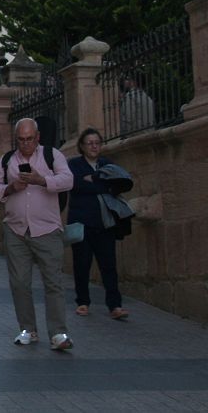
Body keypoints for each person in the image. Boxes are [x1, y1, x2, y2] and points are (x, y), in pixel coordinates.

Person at [0, 118, 75, 350]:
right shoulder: (6, 161)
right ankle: (27, 329)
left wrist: (41, 180)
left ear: (37, 138)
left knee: (53, 282)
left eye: (29, 139)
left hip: (47, 228)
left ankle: (58, 333)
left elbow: (68, 180)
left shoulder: (52, 156)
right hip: (16, 230)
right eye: (21, 140)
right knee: (19, 283)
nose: (25, 144)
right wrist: (10, 188)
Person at [67, 128, 129, 320]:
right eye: (90, 143)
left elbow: (119, 184)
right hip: (82, 223)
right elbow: (74, 185)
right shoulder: (74, 165)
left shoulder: (107, 164)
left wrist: (93, 180)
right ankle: (83, 302)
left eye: (97, 143)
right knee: (82, 264)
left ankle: (115, 305)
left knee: (109, 265)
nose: (94, 146)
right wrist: (100, 184)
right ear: (82, 147)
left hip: (104, 223)